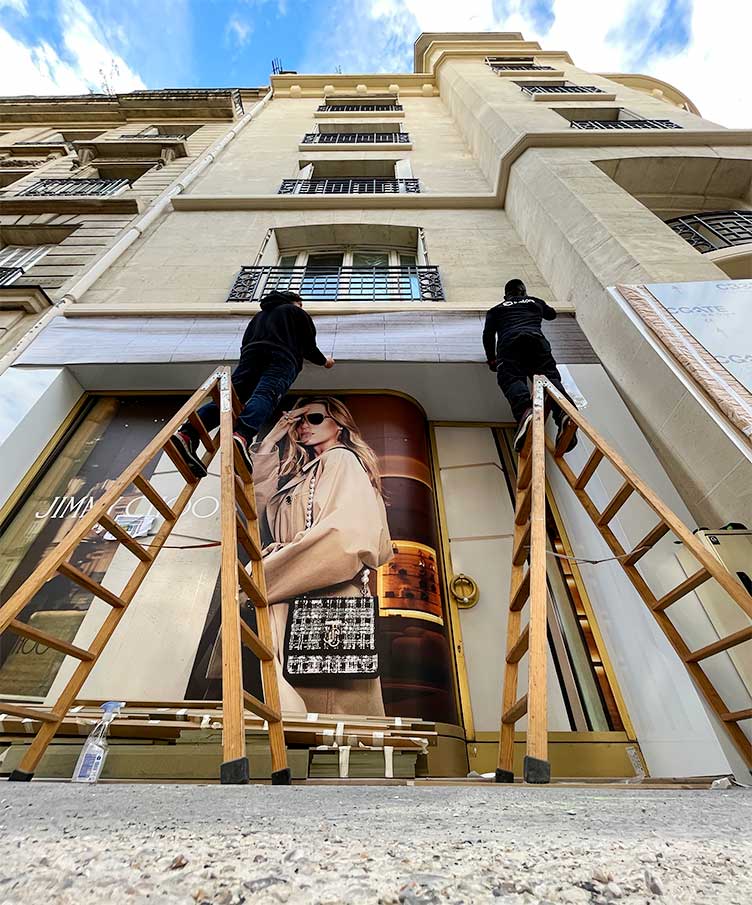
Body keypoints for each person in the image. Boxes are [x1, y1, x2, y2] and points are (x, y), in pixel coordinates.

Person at [251, 396, 393, 716]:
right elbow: (251, 510)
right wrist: (274, 437)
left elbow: (347, 536)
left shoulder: (341, 460)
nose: (304, 426)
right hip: (297, 591)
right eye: (299, 420)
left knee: (327, 718)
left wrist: (264, 576)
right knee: (303, 718)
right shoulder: (301, 475)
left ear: (339, 425)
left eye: (314, 418)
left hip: (324, 593)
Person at [172, 289, 334, 476]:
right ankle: (241, 436)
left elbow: (245, 343)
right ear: (295, 302)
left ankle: (187, 433)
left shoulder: (259, 317)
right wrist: (325, 361)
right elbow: (308, 346)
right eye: (301, 304)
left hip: (250, 356)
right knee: (266, 394)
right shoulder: (295, 312)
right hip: (281, 357)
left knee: (231, 399)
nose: (302, 307)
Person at [483, 278, 577, 453]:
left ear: (506, 296)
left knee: (511, 378)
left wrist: (492, 360)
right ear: (523, 291)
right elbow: (551, 314)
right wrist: (534, 305)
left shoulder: (495, 310)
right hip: (536, 342)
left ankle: (526, 412)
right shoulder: (535, 301)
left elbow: (487, 335)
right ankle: (564, 412)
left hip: (509, 345)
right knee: (549, 378)